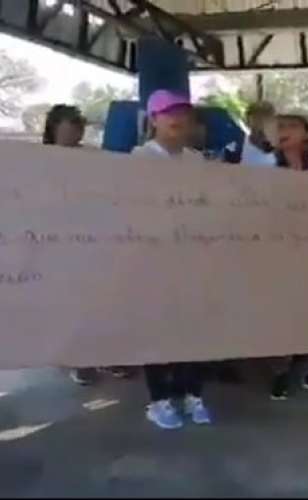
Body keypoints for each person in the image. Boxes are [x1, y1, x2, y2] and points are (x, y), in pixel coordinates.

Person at [132, 89, 211, 429]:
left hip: (194, 262)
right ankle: (159, 400)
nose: (177, 119)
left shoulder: (197, 161)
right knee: (158, 333)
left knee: (195, 332)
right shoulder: (137, 160)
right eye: (168, 113)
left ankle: (192, 394)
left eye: (183, 113)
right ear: (153, 120)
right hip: (152, 264)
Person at [42, 105, 134, 385]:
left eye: (78, 127)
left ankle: (106, 356)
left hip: (94, 244)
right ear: (54, 128)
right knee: (68, 307)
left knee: (100, 303)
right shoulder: (36, 160)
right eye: (69, 126)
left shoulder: (94, 157)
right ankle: (78, 362)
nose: (74, 132)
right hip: (54, 246)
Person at [262, 113, 308, 400]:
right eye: (280, 127)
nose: (285, 131)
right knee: (282, 315)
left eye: (292, 126)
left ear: (307, 133)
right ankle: (280, 372)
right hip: (278, 255)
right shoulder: (265, 168)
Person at [223, 101, 276, 166]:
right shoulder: (235, 148)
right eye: (257, 119)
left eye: (266, 119)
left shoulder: (283, 151)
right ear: (248, 122)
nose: (261, 124)